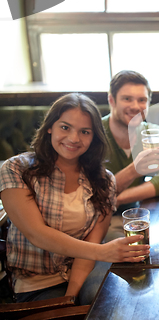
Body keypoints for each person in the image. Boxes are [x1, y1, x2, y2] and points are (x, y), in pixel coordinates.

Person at [0, 93, 149, 305]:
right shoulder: (17, 169)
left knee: (129, 299)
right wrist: (104, 251)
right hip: (36, 284)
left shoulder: (104, 180)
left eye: (84, 132)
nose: (73, 138)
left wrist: (71, 297)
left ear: (94, 137)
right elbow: (37, 234)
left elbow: (91, 244)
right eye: (65, 127)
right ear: (50, 126)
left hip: (86, 272)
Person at [102, 70, 159, 240]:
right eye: (127, 99)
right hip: (100, 222)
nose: (136, 106)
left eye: (142, 100)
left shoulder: (151, 132)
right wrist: (133, 170)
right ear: (111, 100)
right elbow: (96, 195)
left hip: (137, 216)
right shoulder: (92, 133)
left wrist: (120, 198)